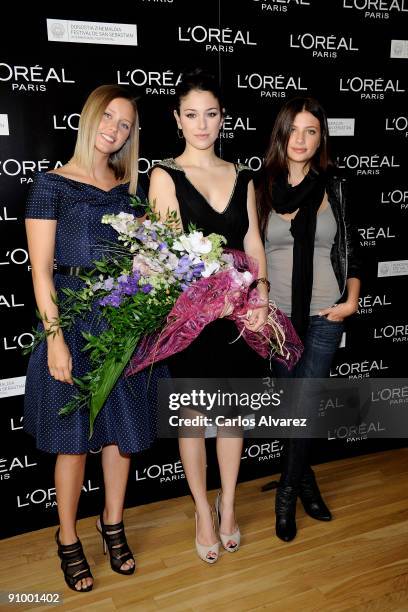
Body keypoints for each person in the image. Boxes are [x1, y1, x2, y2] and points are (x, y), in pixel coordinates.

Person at [24, 84, 166, 591]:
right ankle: (67, 537)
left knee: (121, 440)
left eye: (125, 124)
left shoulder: (129, 188)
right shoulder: (51, 185)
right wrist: (55, 338)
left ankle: (113, 525)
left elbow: (140, 259)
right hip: (75, 323)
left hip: (123, 325)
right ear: (89, 118)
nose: (115, 129)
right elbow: (41, 273)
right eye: (109, 117)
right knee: (73, 443)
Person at [149, 69, 269, 563]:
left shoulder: (243, 176)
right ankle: (202, 508)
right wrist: (209, 300)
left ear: (223, 118)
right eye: (192, 115)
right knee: (195, 420)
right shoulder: (165, 176)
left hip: (240, 316)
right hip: (192, 320)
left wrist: (259, 294)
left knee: (233, 418)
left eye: (211, 114)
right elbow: (168, 258)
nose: (203, 124)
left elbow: (254, 244)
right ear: (178, 119)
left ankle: (229, 506)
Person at [256, 96, 361, 542]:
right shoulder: (259, 186)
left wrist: (351, 300)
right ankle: (305, 480)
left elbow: (352, 248)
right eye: (293, 130)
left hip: (325, 313)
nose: (300, 140)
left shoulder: (335, 185)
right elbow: (249, 252)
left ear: (321, 138)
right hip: (277, 316)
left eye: (311, 131)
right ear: (282, 134)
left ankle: (286, 494)